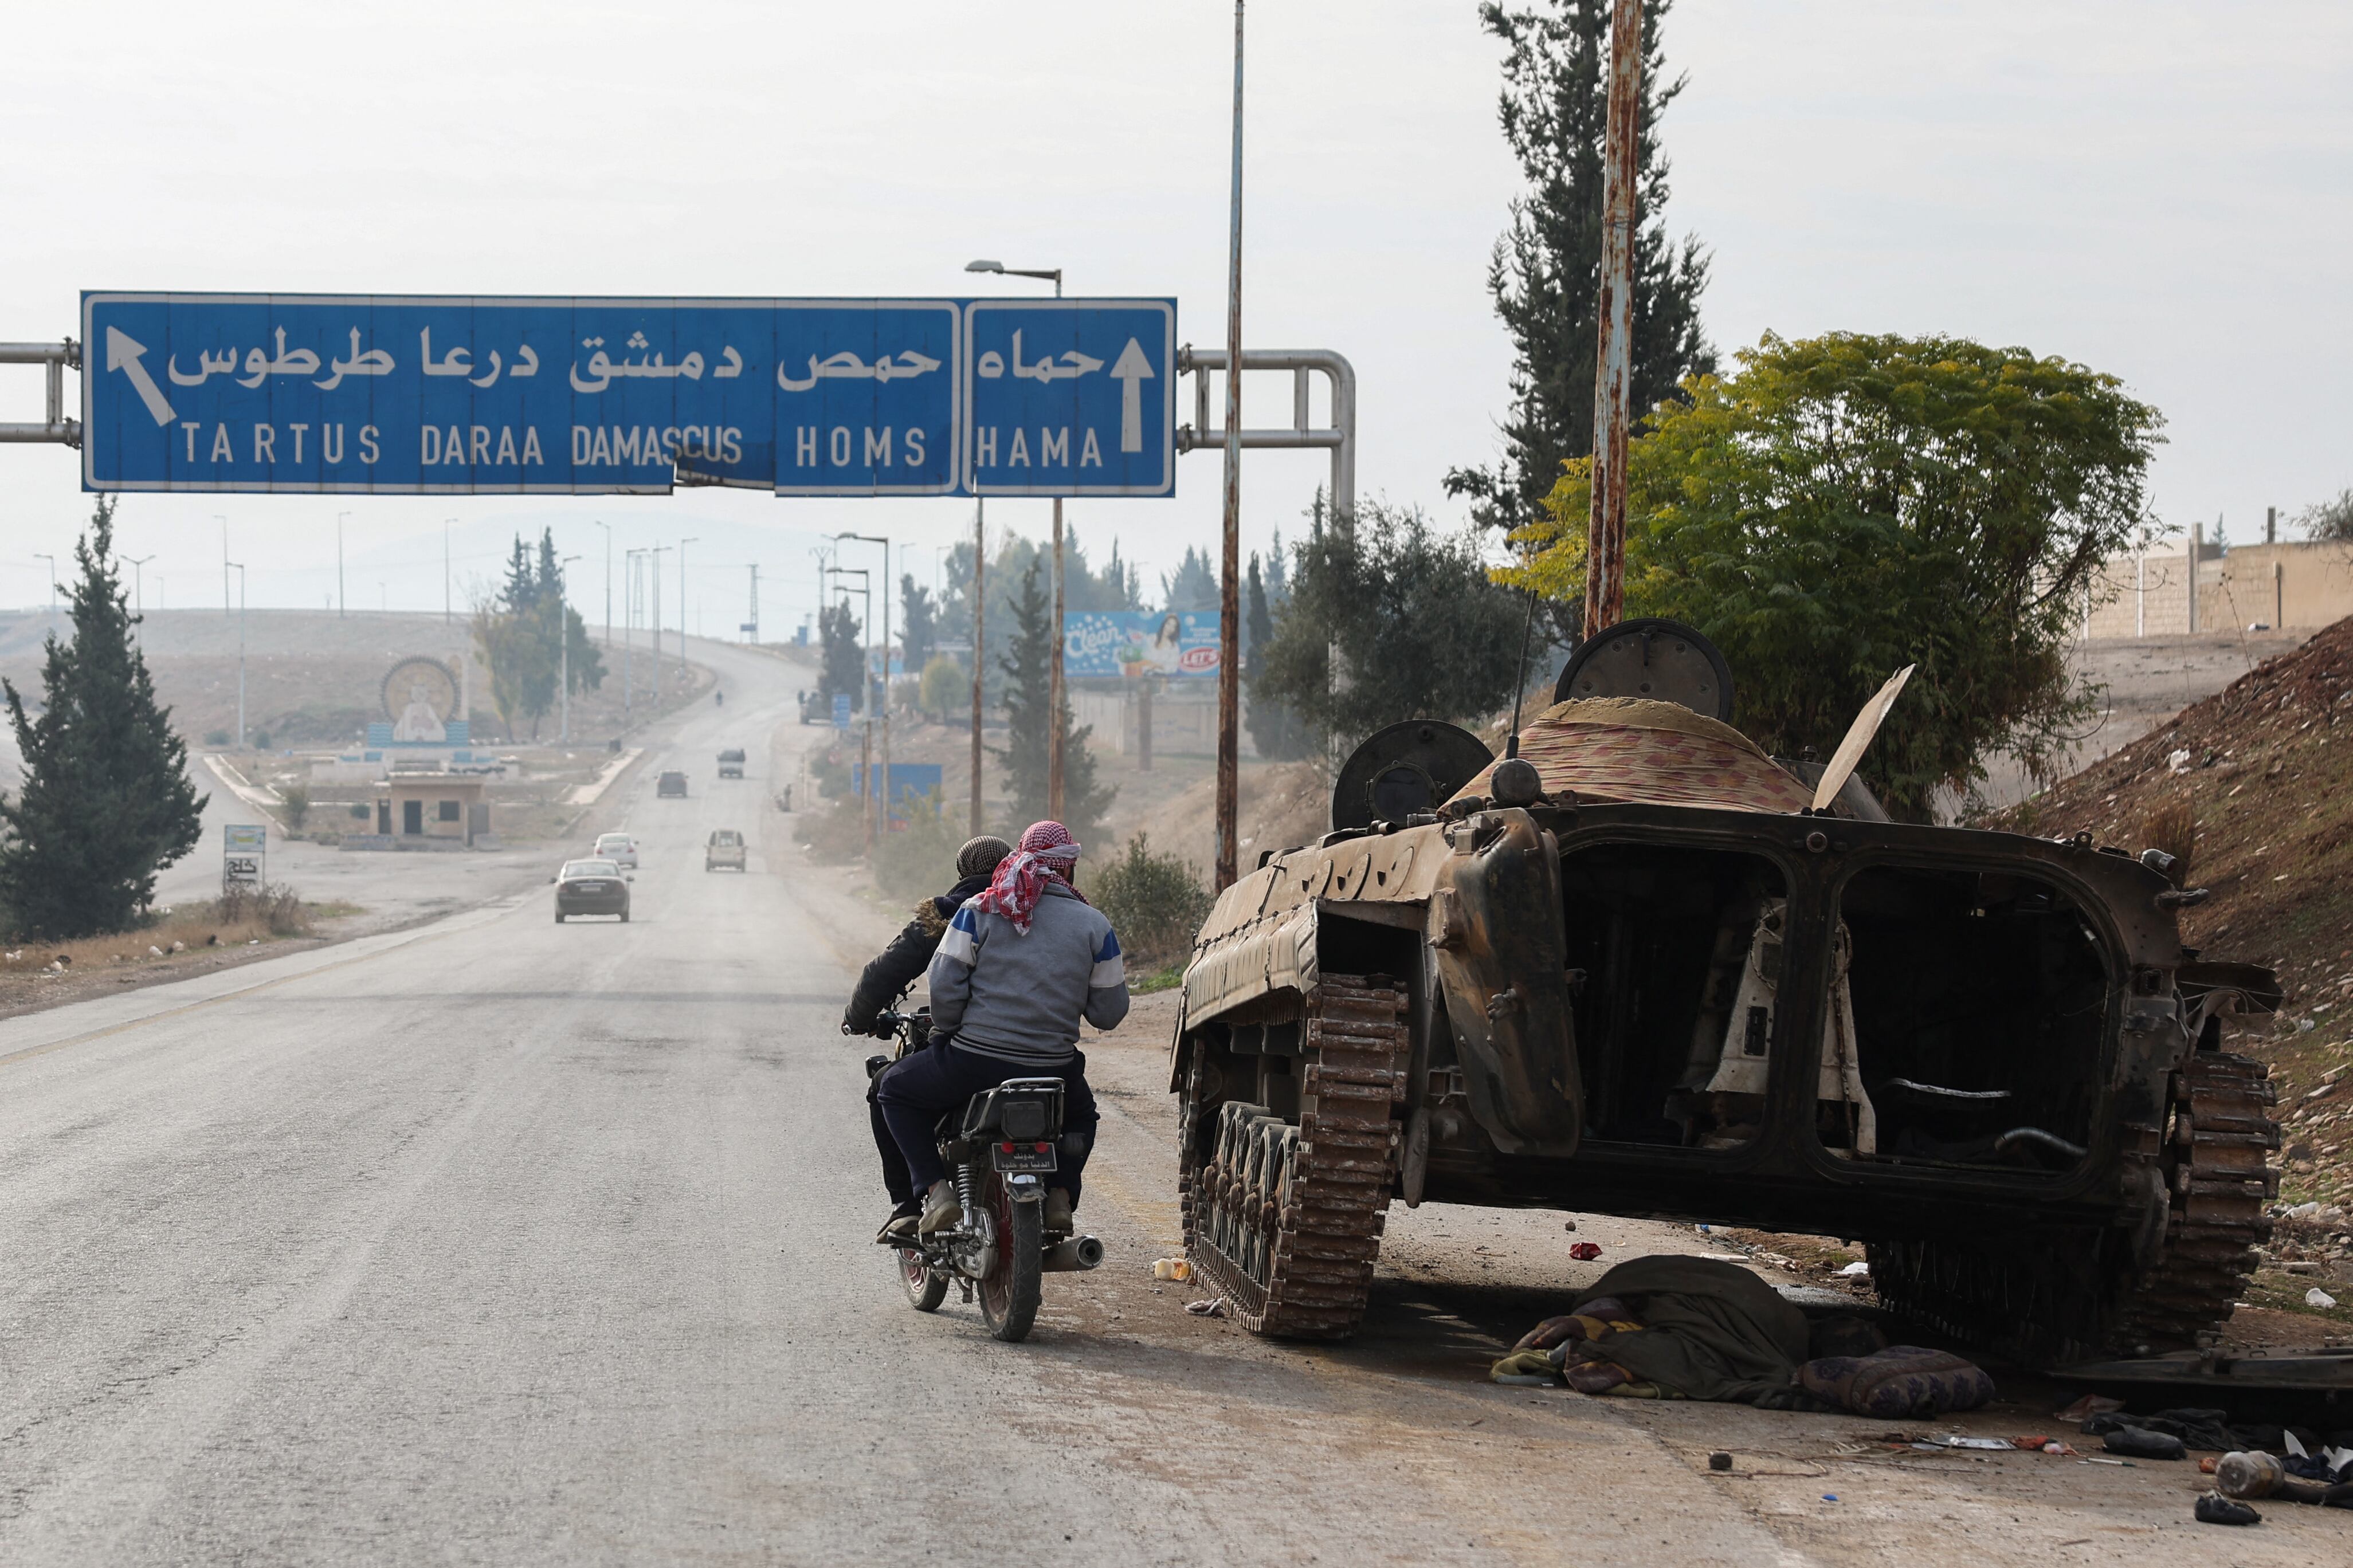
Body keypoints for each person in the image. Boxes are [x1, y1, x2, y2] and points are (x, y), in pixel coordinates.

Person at [875, 822, 1124, 1240]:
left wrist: (953, 1030)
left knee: (893, 1091)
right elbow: (1109, 1011)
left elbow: (943, 987)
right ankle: (1061, 1193)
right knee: (1082, 1114)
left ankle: (935, 1192)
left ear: (1021, 858)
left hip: (973, 1063)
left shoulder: (980, 908)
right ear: (1070, 869)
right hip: (1054, 1068)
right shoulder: (1095, 925)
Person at [845, 835, 1012, 1235]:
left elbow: (886, 971)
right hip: (1041, 1050)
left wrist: (860, 1016)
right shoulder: (1033, 908)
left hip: (970, 1050)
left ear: (961, 874)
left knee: (889, 1086)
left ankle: (909, 1203)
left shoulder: (949, 912)